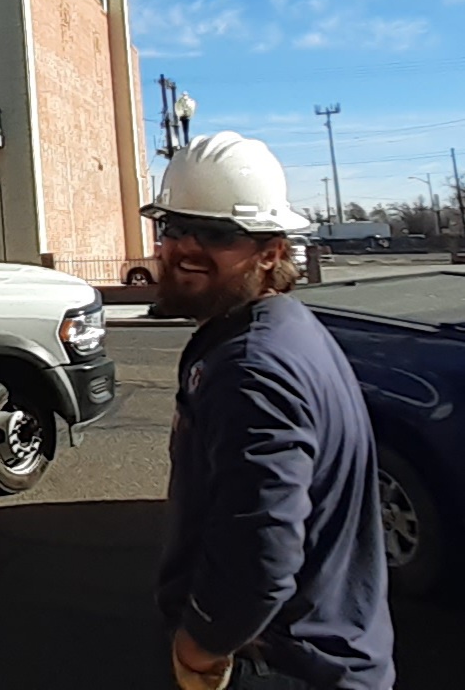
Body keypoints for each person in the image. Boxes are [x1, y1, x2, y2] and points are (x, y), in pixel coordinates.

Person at [145, 132, 393, 690]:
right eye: (174, 227)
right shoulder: (278, 329)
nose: (184, 247)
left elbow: (259, 556)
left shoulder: (251, 370)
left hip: (284, 666)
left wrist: (198, 647)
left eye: (217, 234)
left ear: (272, 252)